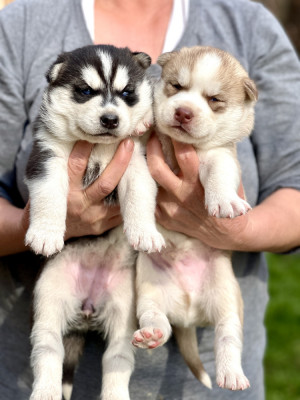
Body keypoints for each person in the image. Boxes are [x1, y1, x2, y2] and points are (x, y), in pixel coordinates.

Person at [0, 0, 300, 399]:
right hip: (19, 369)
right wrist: (37, 222)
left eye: (213, 100)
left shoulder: (250, 24)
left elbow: (293, 177)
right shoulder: (19, 23)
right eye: (174, 86)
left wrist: (238, 229)